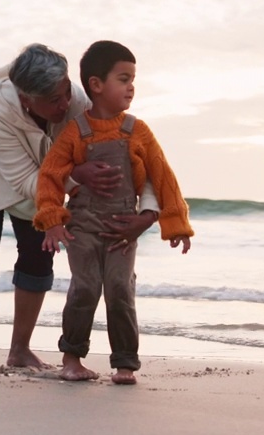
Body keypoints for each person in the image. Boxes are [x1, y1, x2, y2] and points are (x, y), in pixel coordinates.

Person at [0, 43, 162, 371]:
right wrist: (76, 176)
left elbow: (111, 154)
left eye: (65, 92)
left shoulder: (76, 102)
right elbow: (25, 180)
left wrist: (142, 209)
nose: (65, 104)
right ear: (27, 99)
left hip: (44, 168)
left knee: (38, 245)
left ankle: (19, 350)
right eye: (53, 100)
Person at [34, 40, 193, 385]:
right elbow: (50, 175)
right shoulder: (76, 131)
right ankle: (72, 358)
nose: (131, 86)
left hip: (125, 224)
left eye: (132, 78)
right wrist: (51, 219)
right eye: (123, 78)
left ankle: (124, 363)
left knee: (120, 288)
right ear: (96, 84)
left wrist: (171, 222)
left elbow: (162, 175)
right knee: (86, 287)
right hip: (83, 223)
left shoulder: (138, 131)